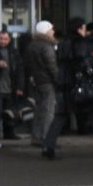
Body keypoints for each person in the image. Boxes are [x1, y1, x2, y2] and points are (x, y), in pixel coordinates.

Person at [44, 17, 93, 160]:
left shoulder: (63, 43)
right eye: (83, 28)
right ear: (79, 29)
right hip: (80, 85)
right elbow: (82, 63)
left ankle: (48, 146)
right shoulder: (81, 43)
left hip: (65, 84)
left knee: (60, 116)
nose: (85, 31)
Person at [23, 21, 59, 149]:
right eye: (51, 29)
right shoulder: (47, 46)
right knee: (49, 110)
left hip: (36, 81)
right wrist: (58, 79)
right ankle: (46, 138)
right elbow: (51, 65)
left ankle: (36, 137)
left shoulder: (31, 45)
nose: (53, 32)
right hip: (47, 81)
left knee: (38, 110)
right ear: (47, 31)